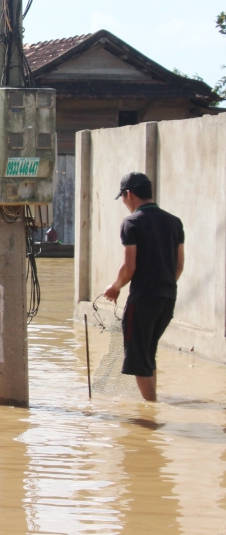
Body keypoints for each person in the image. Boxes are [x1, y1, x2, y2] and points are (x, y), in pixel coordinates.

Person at [103, 172, 184, 402]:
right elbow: (179, 265)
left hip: (143, 300)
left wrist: (115, 287)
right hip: (167, 298)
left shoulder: (132, 222)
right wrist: (163, 286)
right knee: (148, 353)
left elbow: (129, 267)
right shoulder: (174, 221)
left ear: (128, 194)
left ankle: (150, 416)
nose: (125, 203)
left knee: (138, 359)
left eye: (124, 198)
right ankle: (153, 404)